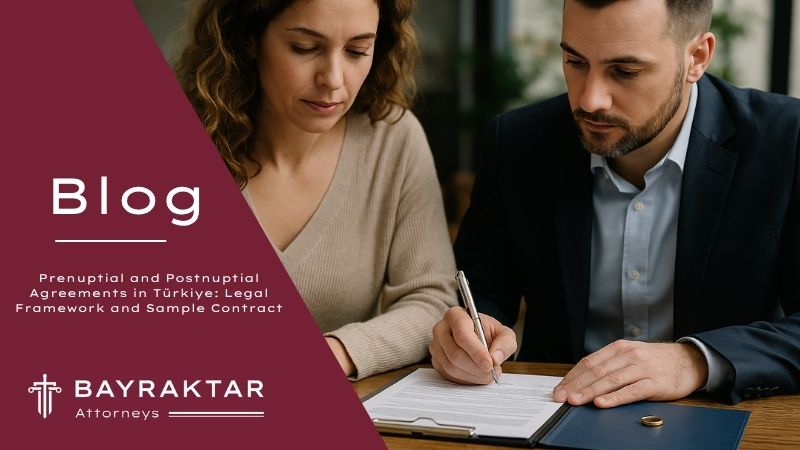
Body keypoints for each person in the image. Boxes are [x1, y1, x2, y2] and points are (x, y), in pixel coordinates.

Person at [430, 0, 800, 407]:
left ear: (697, 57)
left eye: (624, 71)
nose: (590, 100)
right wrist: (470, 334)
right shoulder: (519, 142)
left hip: (719, 417)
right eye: (575, 61)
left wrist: (692, 360)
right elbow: (481, 293)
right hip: (548, 412)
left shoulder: (785, 141)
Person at [175, 0, 456, 380]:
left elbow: (431, 302)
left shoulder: (394, 140)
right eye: (305, 48)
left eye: (357, 51)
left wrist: (335, 353)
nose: (334, 79)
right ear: (248, 39)